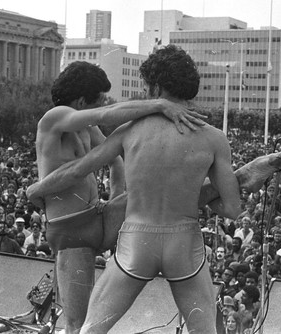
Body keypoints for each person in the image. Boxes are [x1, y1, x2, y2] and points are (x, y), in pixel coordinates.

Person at [28, 45, 281, 333]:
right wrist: (206, 197)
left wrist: (36, 190)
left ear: (155, 86)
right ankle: (241, 177)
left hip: (132, 238)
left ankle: (230, 180)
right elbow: (234, 210)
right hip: (182, 244)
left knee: (87, 328)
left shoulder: (129, 129)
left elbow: (80, 168)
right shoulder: (214, 138)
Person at [28, 61, 207, 333]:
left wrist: (114, 201)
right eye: (97, 100)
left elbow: (116, 163)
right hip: (70, 231)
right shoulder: (55, 118)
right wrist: (160, 104)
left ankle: (233, 180)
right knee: (78, 322)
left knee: (159, 194)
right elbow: (108, 114)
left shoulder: (87, 129)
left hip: (98, 216)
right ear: (80, 99)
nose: (102, 104)